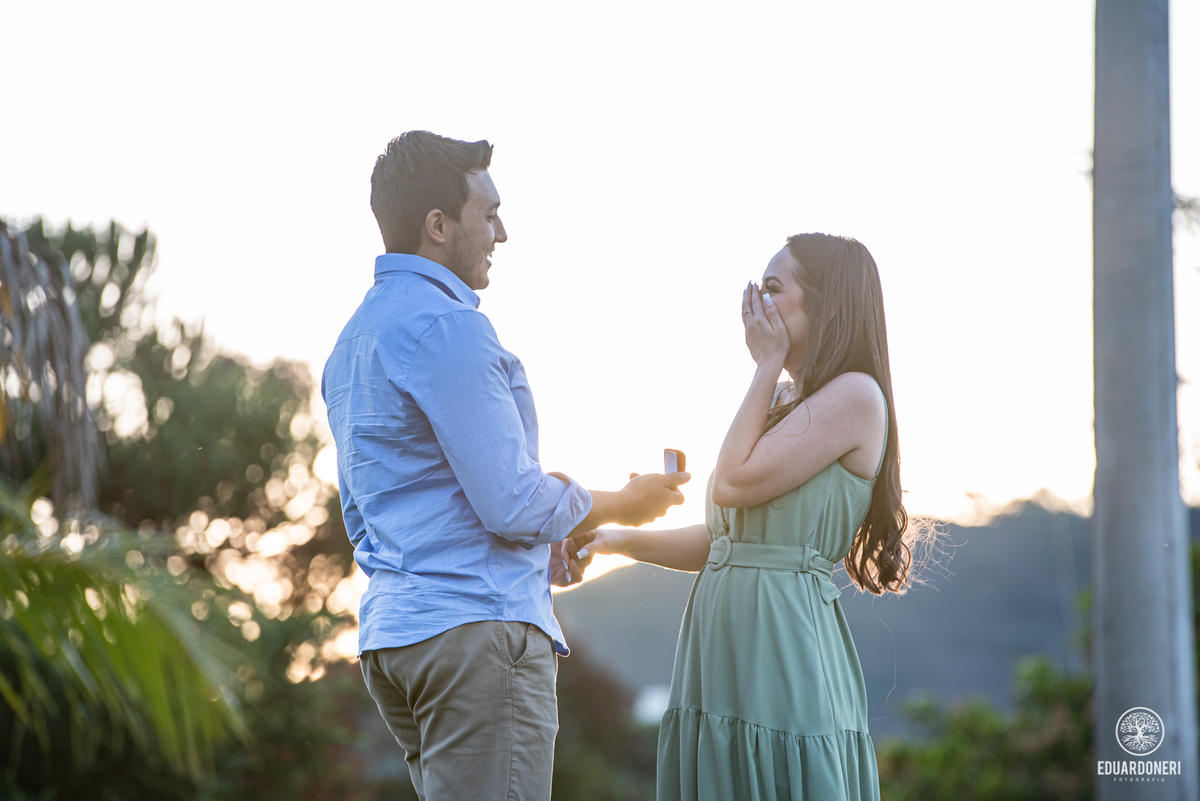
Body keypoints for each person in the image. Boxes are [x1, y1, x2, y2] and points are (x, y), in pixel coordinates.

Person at [321, 130, 689, 801]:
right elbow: (513, 504)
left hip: (396, 640)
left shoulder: (353, 340)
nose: (503, 232)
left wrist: (548, 545)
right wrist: (620, 502)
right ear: (437, 226)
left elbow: (372, 515)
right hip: (474, 639)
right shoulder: (449, 327)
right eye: (487, 214)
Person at [574, 233, 909, 800]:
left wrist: (766, 363)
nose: (754, 301)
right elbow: (728, 541)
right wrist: (617, 539)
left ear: (827, 304)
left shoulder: (856, 396)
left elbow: (731, 482)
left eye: (773, 288)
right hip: (721, 644)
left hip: (783, 642)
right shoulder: (783, 401)